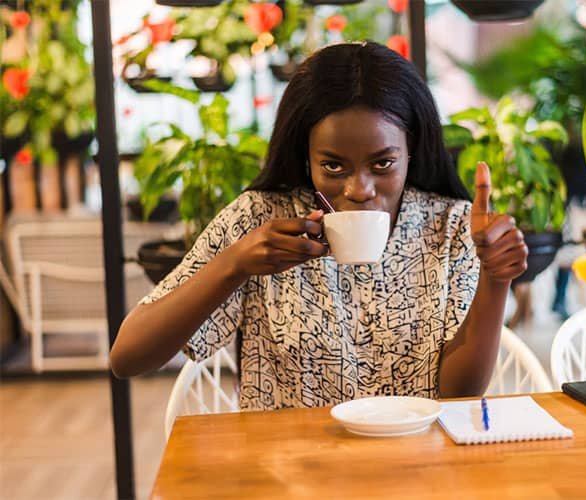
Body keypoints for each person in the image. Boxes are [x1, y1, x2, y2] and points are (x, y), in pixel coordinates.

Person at [110, 42, 528, 411]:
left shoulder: (451, 228)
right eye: (332, 165)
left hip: (413, 468)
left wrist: (495, 279)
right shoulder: (261, 220)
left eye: (383, 163)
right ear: (304, 156)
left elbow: (457, 397)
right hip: (286, 473)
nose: (359, 189)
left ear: (412, 149)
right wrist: (235, 264)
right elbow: (128, 357)